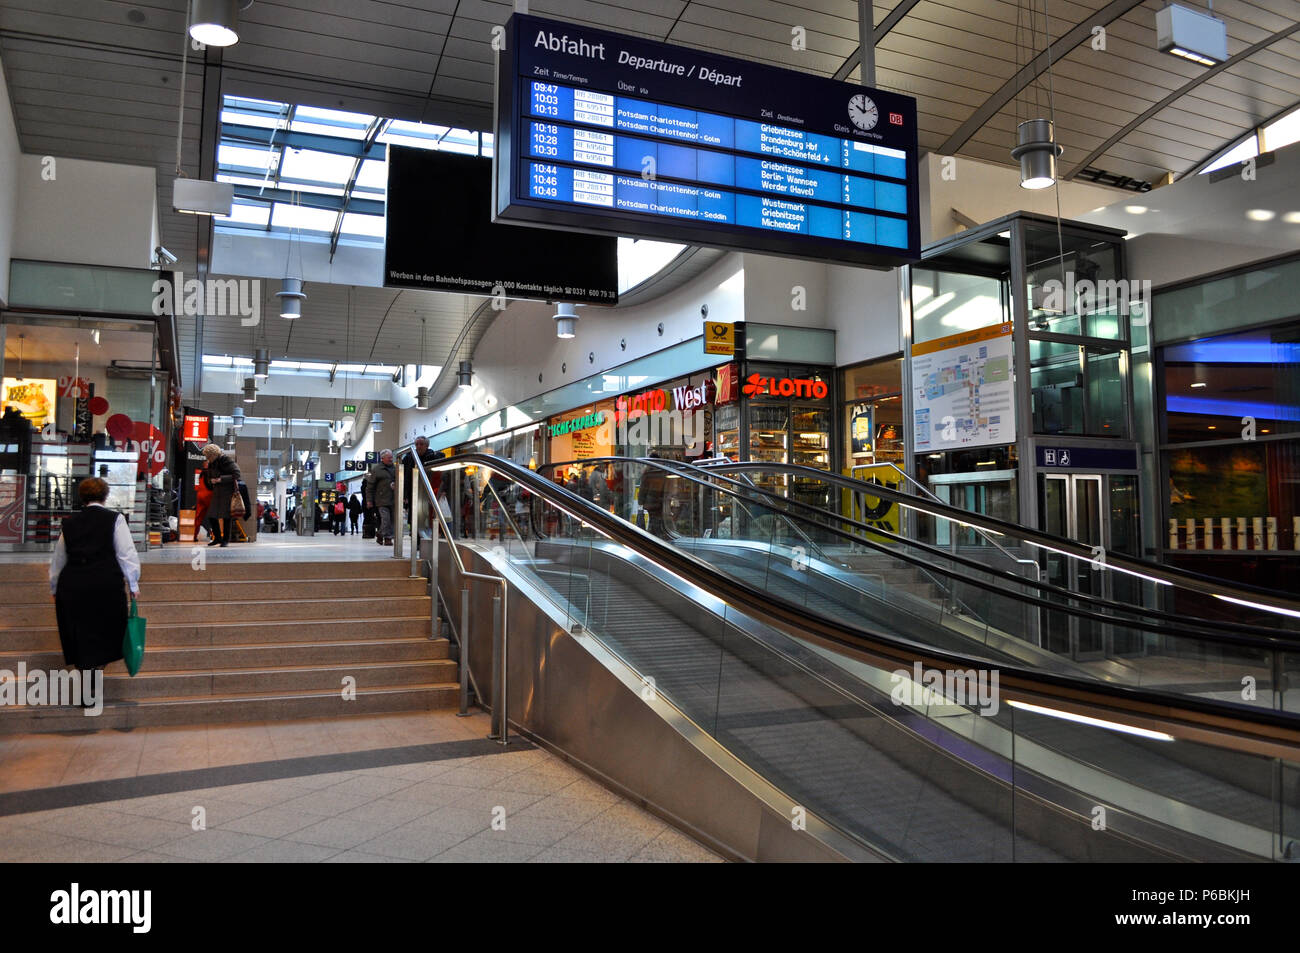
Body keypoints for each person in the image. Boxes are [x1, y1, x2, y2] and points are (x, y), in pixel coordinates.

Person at [49, 477, 140, 709]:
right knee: (104, 633)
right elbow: (126, 553)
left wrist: (54, 587)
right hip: (105, 583)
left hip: (73, 583)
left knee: (80, 634)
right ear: (105, 496)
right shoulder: (114, 520)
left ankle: (87, 680)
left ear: (82, 496)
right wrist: (133, 584)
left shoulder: (69, 524)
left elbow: (59, 558)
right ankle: (94, 680)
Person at [200, 444, 241, 547]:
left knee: (226, 517)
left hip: (227, 492)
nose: (207, 459)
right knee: (211, 515)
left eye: (209, 456)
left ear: (214, 454)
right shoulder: (212, 463)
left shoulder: (226, 460)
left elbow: (237, 474)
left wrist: (220, 479)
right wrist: (211, 481)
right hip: (217, 492)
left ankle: (225, 540)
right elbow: (210, 475)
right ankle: (217, 538)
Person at [364, 449, 397, 546]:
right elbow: (370, 487)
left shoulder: (396, 468)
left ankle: (383, 535)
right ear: (382, 458)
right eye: (389, 457)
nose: (391, 459)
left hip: (394, 499)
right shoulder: (377, 470)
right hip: (381, 500)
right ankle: (386, 537)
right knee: (386, 520)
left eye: (391, 457)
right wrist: (369, 500)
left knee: (392, 520)